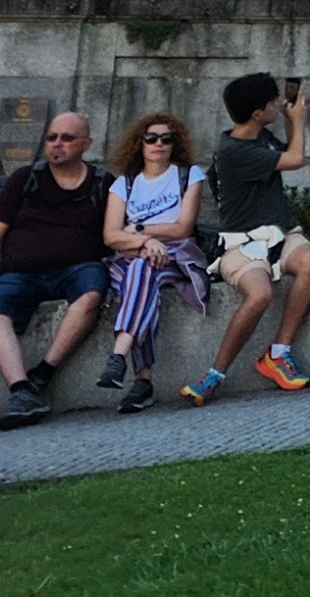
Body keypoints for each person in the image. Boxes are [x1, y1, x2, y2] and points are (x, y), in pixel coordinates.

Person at [183, 74, 310, 404]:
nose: (278, 104)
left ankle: (279, 353)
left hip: (279, 234)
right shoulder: (234, 151)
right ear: (258, 113)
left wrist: (288, 119)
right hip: (241, 243)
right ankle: (214, 375)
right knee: (259, 295)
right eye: (273, 103)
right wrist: (299, 120)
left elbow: (287, 152)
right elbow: (295, 160)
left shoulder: (260, 136)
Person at [0, 111, 114, 428]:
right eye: (51, 137)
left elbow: (117, 232)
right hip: (21, 274)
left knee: (92, 293)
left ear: (86, 144)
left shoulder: (103, 183)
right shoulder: (24, 179)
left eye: (67, 138)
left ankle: (43, 374)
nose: (57, 144)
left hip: (78, 269)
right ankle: (21, 392)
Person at [98, 114, 204, 412]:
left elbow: (182, 228)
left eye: (166, 138)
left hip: (176, 255)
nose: (159, 144)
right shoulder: (124, 184)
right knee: (142, 275)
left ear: (175, 144)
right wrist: (145, 243)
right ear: (140, 144)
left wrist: (142, 230)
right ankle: (139, 382)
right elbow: (110, 235)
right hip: (130, 255)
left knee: (143, 271)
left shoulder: (189, 176)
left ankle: (122, 358)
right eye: (151, 138)